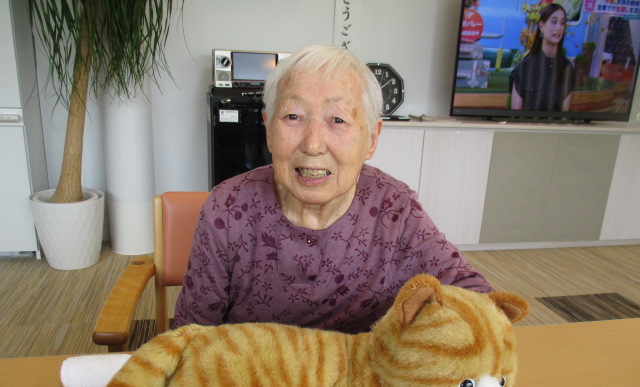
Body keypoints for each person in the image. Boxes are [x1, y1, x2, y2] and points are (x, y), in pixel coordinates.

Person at [173, 45, 492, 334]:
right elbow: (190, 335)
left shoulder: (394, 209)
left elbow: (476, 298)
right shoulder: (228, 208)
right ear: (269, 130)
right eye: (293, 116)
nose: (312, 144)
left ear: (371, 138)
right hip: (254, 374)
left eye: (337, 120)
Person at [510, 3, 575, 112]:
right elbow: (515, 116)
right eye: (554, 22)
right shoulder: (524, 67)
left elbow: (564, 116)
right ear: (541, 26)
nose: (558, 28)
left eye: (562, 23)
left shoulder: (567, 68)